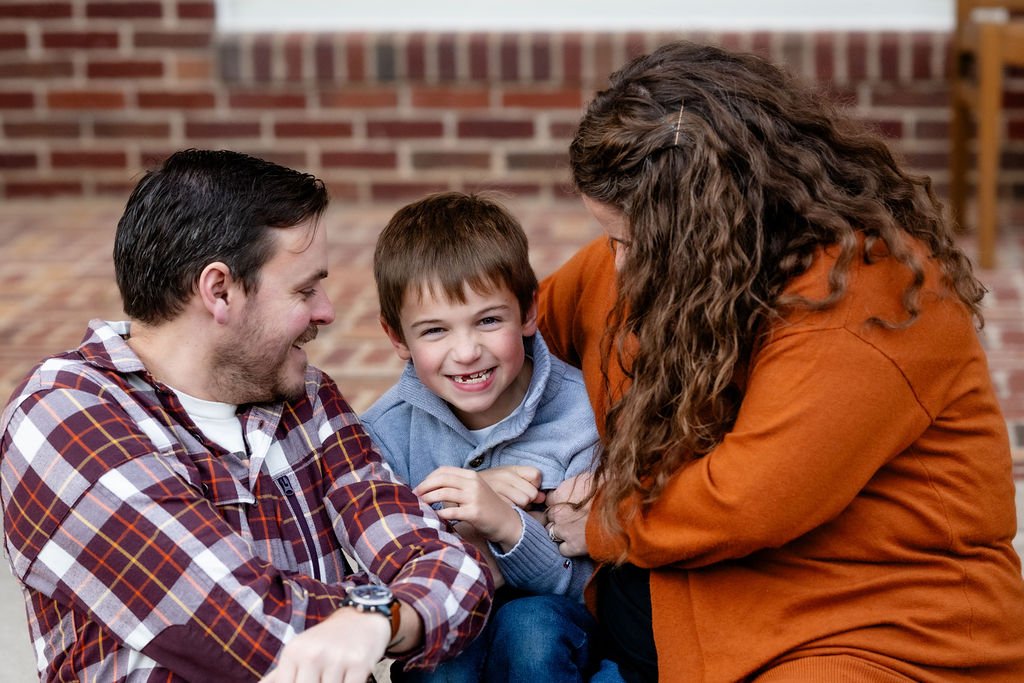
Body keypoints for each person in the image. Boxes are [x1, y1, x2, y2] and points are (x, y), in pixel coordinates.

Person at [540, 41, 1024, 681]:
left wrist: (605, 521)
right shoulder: (653, 262)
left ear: (713, 222)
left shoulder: (863, 300)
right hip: (694, 603)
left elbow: (745, 501)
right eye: (611, 237)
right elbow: (507, 345)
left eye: (637, 241)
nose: (619, 264)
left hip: (873, 623)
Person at [0, 149, 492, 682]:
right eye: (305, 289)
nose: (326, 310)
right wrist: (380, 610)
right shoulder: (63, 417)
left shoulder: (304, 397)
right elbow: (248, 630)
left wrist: (376, 619)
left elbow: (454, 567)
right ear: (220, 291)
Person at [361, 191, 600, 682]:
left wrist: (508, 526)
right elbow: (388, 578)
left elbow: (583, 585)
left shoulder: (581, 414)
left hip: (556, 630)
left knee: (528, 626)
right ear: (396, 338)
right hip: (448, 623)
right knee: (447, 655)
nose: (466, 352)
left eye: (489, 320)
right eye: (434, 331)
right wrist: (464, 510)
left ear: (528, 313)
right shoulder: (384, 431)